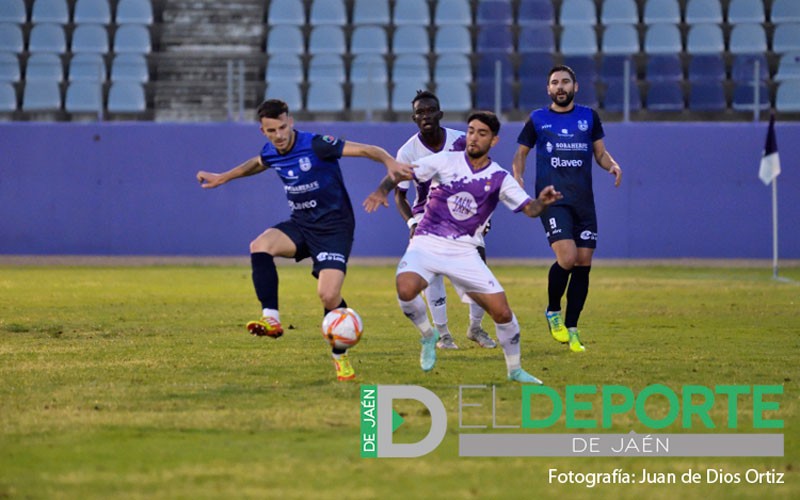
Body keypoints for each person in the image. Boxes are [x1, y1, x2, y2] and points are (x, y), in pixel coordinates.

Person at [196, 99, 411, 382]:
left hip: (334, 229)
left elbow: (367, 150)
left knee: (328, 295)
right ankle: (271, 318)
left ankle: (340, 356)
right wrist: (223, 177)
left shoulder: (317, 144)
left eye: (283, 127)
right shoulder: (272, 151)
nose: (279, 135)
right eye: (272, 130)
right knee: (260, 245)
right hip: (301, 224)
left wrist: (389, 161)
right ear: (263, 131)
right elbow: (257, 163)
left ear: (291, 122)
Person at [367, 111, 563, 383]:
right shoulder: (445, 160)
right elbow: (404, 172)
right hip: (427, 240)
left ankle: (515, 370)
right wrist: (381, 190)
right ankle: (429, 335)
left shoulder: (499, 177)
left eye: (481, 133)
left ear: (493, 140)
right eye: (471, 131)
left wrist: (542, 201)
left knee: (503, 312)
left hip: (464, 250)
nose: (473, 137)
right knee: (405, 288)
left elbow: (529, 209)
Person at [365, 90, 496, 350]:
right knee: (432, 270)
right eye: (420, 112)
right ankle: (444, 334)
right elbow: (400, 196)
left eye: (430, 111)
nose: (425, 116)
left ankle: (475, 327)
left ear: (440, 114)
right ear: (414, 118)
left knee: (478, 270)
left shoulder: (461, 141)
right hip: (428, 214)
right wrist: (412, 224)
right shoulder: (408, 151)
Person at [512, 65, 623, 353]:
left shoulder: (589, 117)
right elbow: (521, 153)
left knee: (583, 262)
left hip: (583, 201)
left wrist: (612, 165)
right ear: (548, 89)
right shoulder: (538, 119)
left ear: (575, 87)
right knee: (568, 256)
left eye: (565, 82)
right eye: (554, 83)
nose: (560, 87)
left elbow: (599, 152)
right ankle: (552, 311)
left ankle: (572, 329)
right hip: (552, 199)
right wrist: (518, 175)